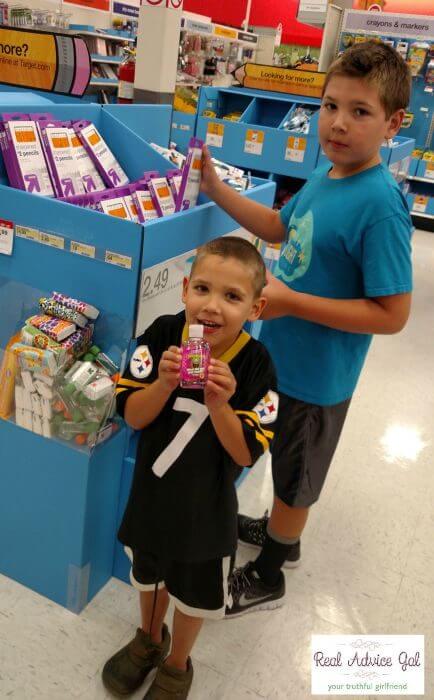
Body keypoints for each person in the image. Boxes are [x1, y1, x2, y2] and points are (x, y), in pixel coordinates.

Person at [200, 40, 413, 617]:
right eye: (330, 106)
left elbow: (393, 315)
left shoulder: (381, 205)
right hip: (283, 361)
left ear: (394, 123)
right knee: (276, 451)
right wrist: (219, 192)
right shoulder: (327, 174)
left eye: (360, 112)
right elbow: (276, 227)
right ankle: (278, 532)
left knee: (296, 475)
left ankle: (272, 569)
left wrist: (294, 303)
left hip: (319, 379)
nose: (339, 123)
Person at [102, 236, 279, 699]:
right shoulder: (159, 336)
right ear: (184, 289)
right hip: (152, 493)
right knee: (148, 574)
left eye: (232, 297)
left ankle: (178, 664)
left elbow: (245, 455)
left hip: (207, 507)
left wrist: (220, 405)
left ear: (256, 309)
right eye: (202, 289)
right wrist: (162, 384)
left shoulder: (259, 366)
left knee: (195, 591)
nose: (212, 307)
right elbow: (132, 416)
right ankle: (148, 639)